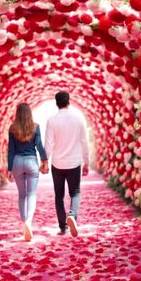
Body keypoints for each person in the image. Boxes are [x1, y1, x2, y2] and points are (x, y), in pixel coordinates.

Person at [44, 91, 89, 237]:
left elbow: (48, 144)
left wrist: (44, 161)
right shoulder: (77, 119)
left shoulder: (51, 120)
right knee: (75, 192)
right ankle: (72, 215)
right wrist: (86, 162)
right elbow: (84, 142)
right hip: (74, 162)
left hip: (57, 163)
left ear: (56, 103)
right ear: (69, 102)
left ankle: (63, 227)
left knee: (59, 196)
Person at [7, 103, 49, 241]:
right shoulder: (35, 127)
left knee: (22, 195)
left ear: (17, 114)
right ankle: (28, 222)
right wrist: (44, 160)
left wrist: (9, 168)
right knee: (31, 194)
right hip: (31, 161)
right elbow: (39, 145)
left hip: (18, 162)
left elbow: (11, 151)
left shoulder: (12, 129)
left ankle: (24, 220)